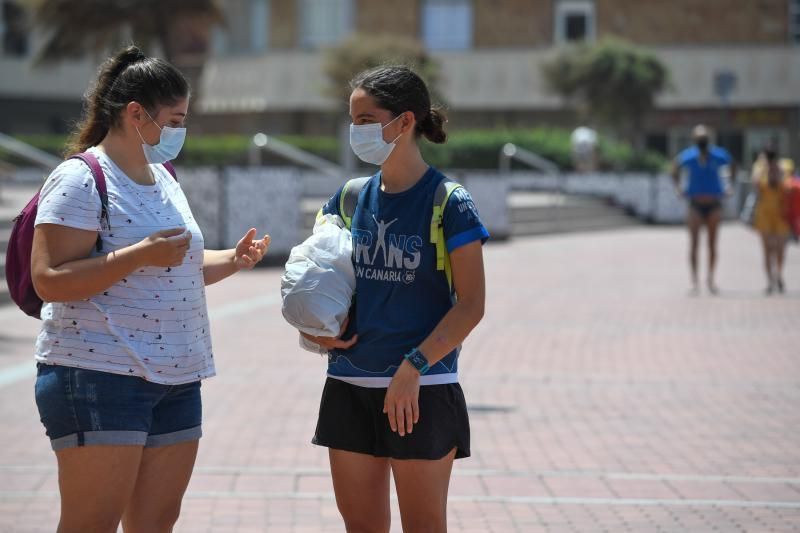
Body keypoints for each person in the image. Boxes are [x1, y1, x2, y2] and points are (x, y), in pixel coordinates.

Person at [30, 46, 270, 532]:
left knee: (156, 524)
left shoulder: (163, 177)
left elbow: (173, 264)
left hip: (178, 378)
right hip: (99, 375)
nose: (181, 131)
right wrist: (138, 253)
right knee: (90, 523)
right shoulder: (81, 179)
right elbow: (49, 279)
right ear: (135, 114)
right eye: (175, 119)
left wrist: (232, 259)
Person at [299, 66, 488, 533]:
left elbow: (472, 304)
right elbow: (320, 278)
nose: (355, 131)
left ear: (405, 122)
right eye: (352, 119)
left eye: (366, 119)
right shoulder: (349, 197)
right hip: (348, 387)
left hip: (420, 391)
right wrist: (313, 328)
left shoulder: (449, 201)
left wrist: (414, 366)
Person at [671, 125, 736, 294]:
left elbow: (732, 164)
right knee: (694, 244)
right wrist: (678, 188)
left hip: (714, 203)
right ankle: (694, 281)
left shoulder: (718, 154)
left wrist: (730, 186)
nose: (702, 142)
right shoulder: (689, 155)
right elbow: (674, 167)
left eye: (704, 138)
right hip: (695, 204)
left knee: (712, 244)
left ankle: (711, 278)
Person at [752, 148, 790, 294]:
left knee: (780, 248)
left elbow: (787, 186)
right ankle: (769, 280)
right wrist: (763, 168)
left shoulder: (784, 167)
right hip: (764, 214)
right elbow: (755, 185)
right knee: (767, 249)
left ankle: (779, 274)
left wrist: (777, 170)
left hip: (781, 213)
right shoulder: (760, 169)